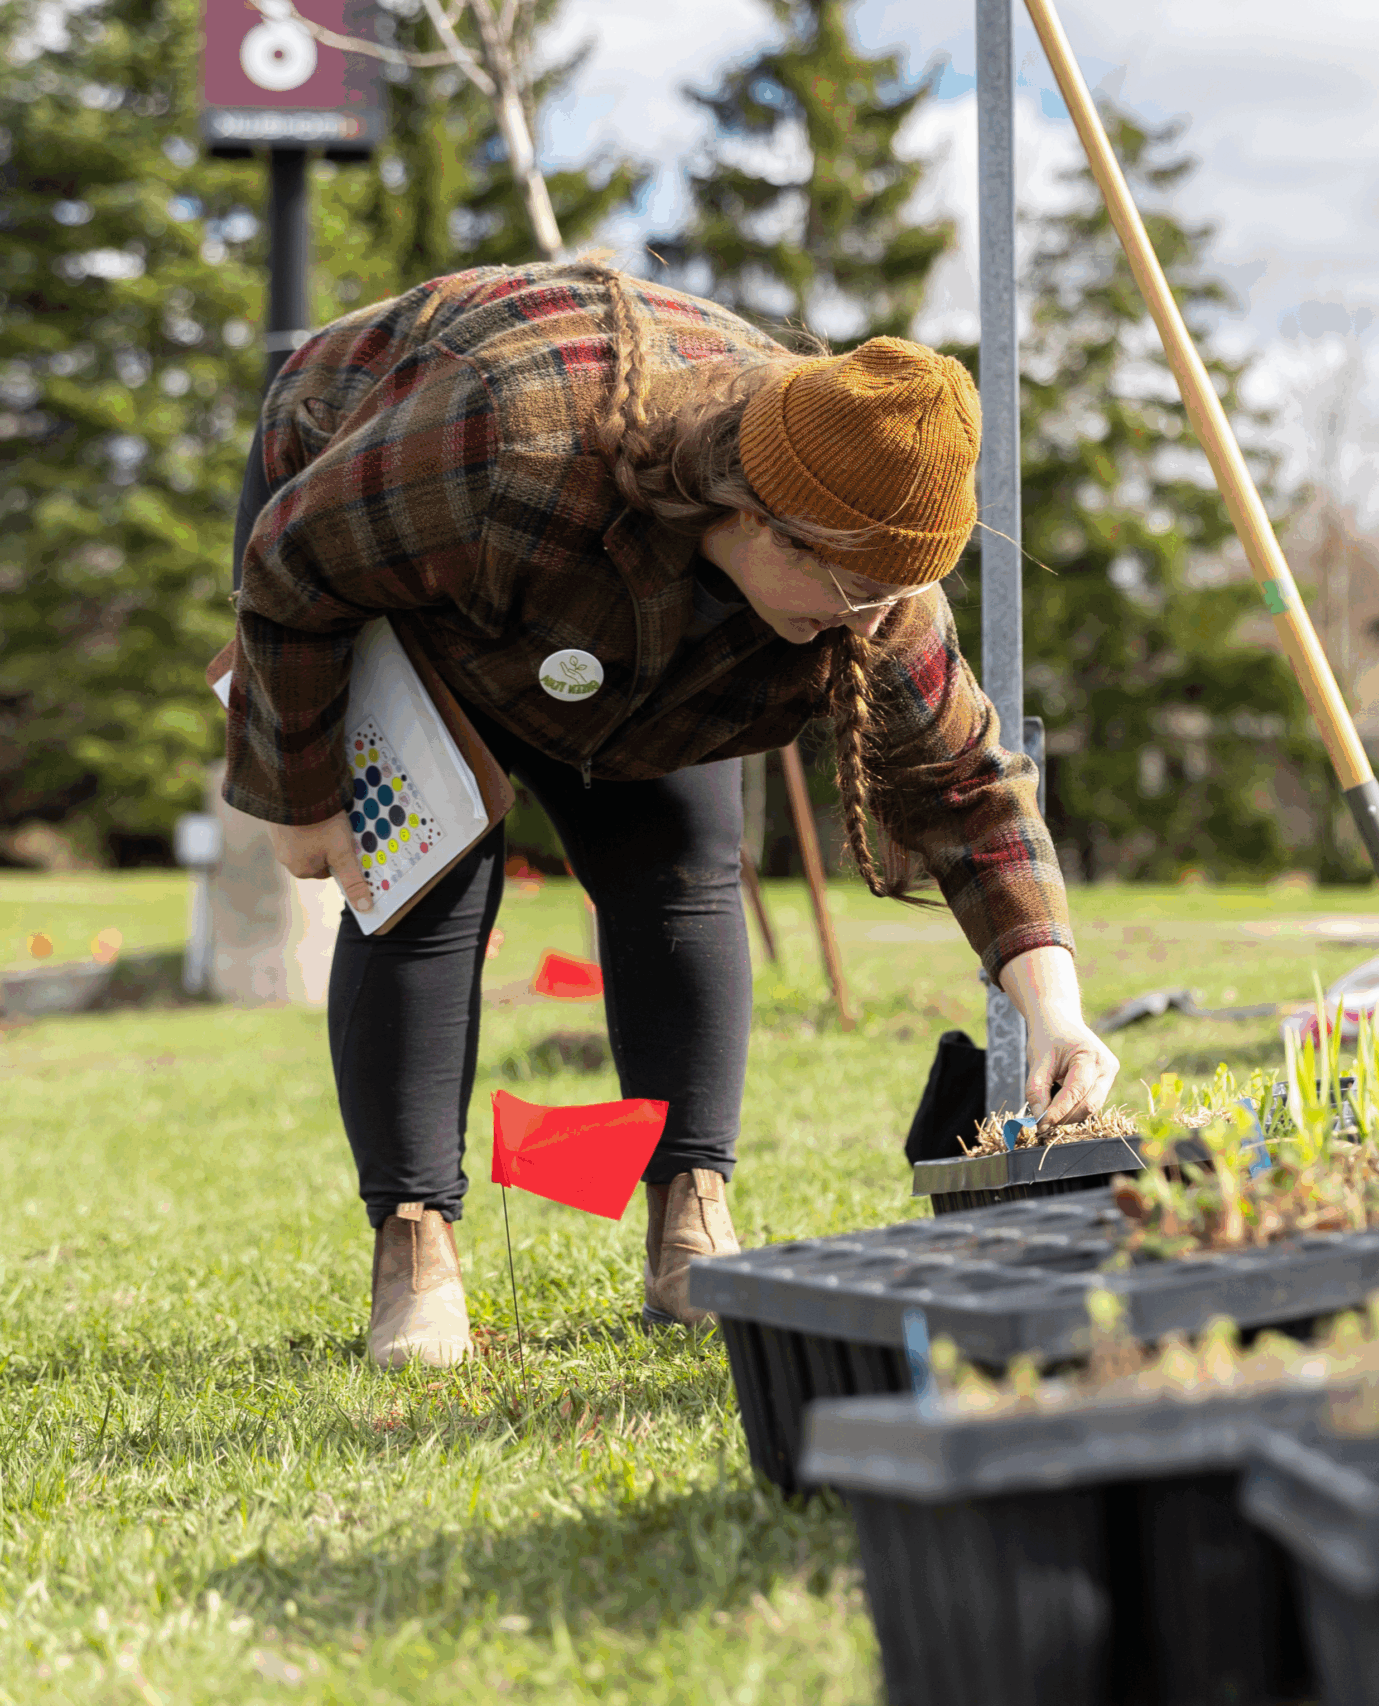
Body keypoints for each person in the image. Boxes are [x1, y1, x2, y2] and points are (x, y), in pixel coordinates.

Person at [224, 259, 1120, 1370]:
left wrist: (1056, 1014)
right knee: (424, 881)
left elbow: (967, 791)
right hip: (400, 525)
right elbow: (296, 564)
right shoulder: (511, 441)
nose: (872, 621)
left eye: (892, 597)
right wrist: (303, 787)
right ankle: (417, 1242)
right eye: (852, 593)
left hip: (627, 624)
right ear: (760, 521)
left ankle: (691, 1208)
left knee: (685, 864)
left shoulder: (873, 576)